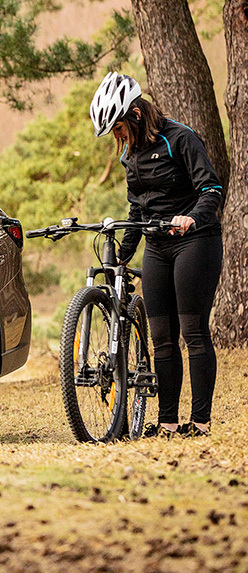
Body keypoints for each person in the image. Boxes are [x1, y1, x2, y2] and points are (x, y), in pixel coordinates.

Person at [90, 71, 224, 437]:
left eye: (116, 128)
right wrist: (123, 255)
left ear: (134, 114)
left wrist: (191, 219)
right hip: (157, 245)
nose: (116, 138)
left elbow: (212, 189)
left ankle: (199, 422)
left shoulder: (180, 138)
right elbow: (137, 209)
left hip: (195, 241)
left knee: (193, 331)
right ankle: (167, 423)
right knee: (161, 336)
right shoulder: (130, 155)